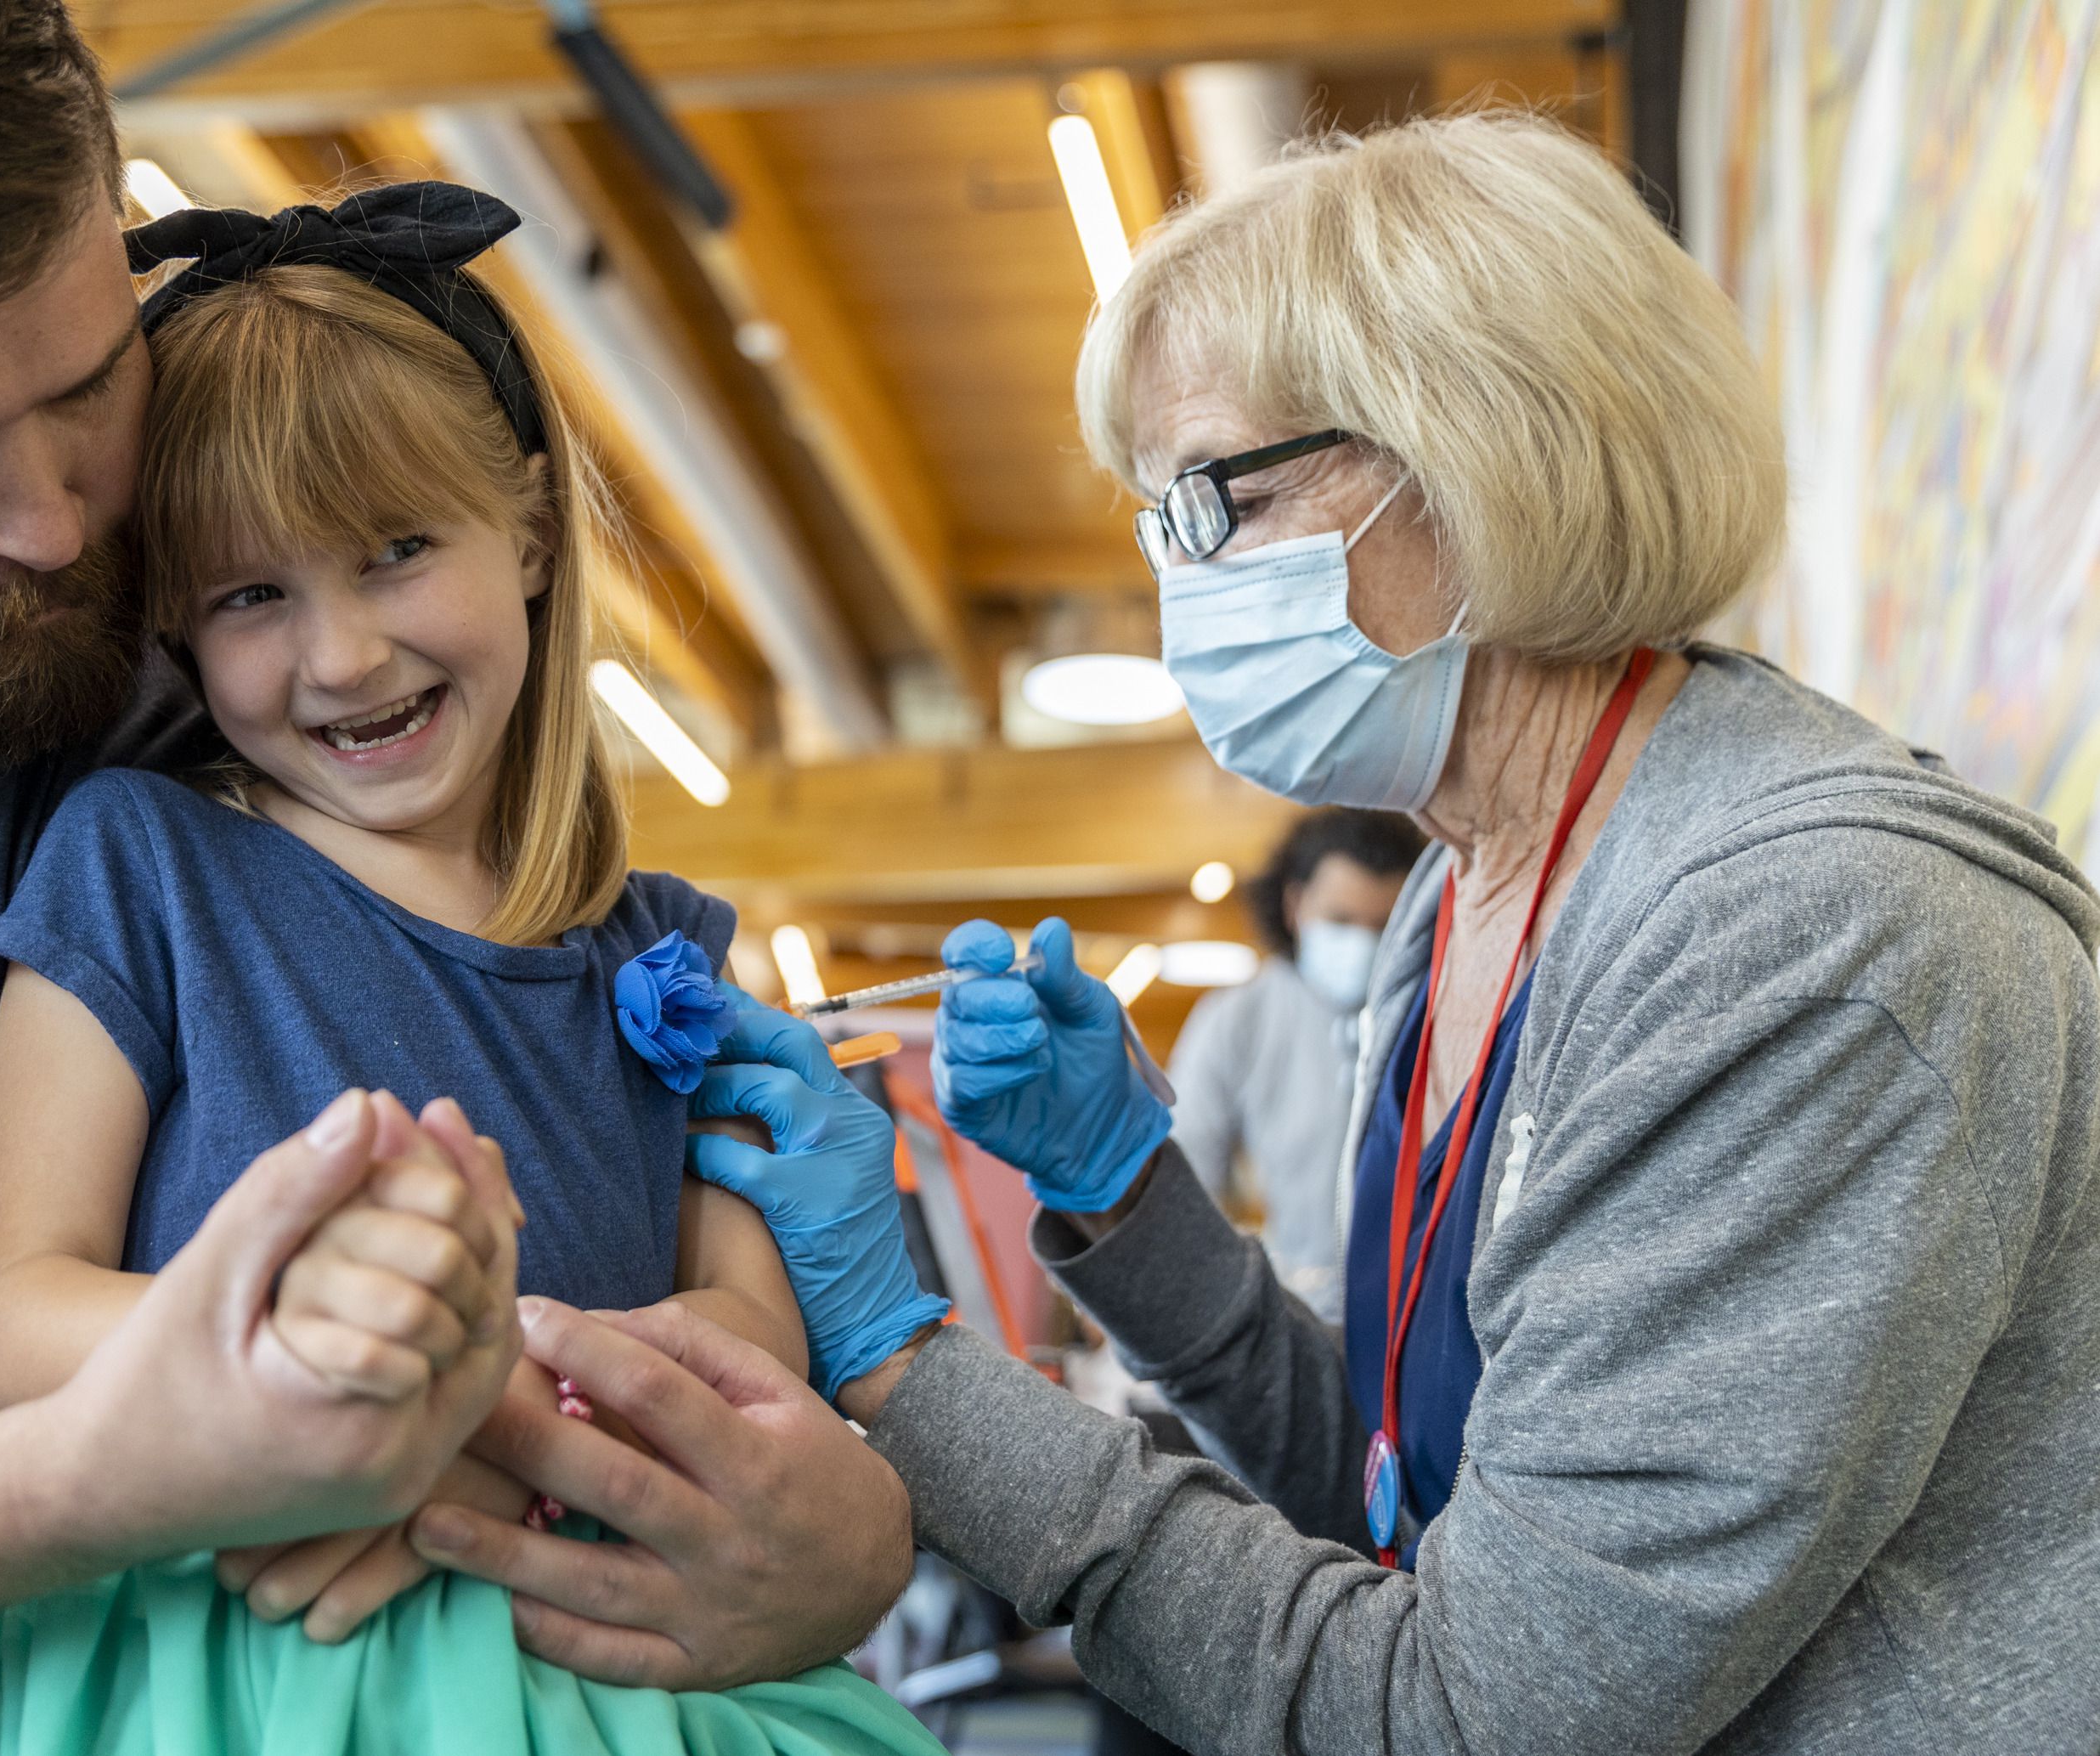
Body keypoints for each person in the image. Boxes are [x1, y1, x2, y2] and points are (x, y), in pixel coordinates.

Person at [420, 114, 2100, 1752]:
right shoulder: (1467, 887)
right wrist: (1123, 1196)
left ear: (1473, 450)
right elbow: (1397, 1486)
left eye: (1209, 503)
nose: (1173, 582)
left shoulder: (1807, 941)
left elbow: (1469, 1704)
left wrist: (903, 1356)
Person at [0, 7, 909, 1752]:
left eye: (86, 377)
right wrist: (107, 1476)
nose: (60, 525)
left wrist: (828, 1533)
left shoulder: (266, 639)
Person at [0, 191, 942, 1756]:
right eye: (252, 595)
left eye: (396, 552)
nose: (338, 656)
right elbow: (17, 1319)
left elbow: (749, 1320)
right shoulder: (141, 860)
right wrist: (357, 1394)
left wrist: (489, 1433)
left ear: (530, 529)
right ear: (181, 631)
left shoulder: (659, 937)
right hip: (257, 1649)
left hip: (597, 1635)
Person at [1166, 808, 1421, 1316]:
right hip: (1297, 1307)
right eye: (1341, 921)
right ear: (1294, 904)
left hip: (1415, 1306)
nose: (1361, 945)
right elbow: (1185, 1175)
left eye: (1382, 926)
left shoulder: (1432, 1012)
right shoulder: (1238, 1018)